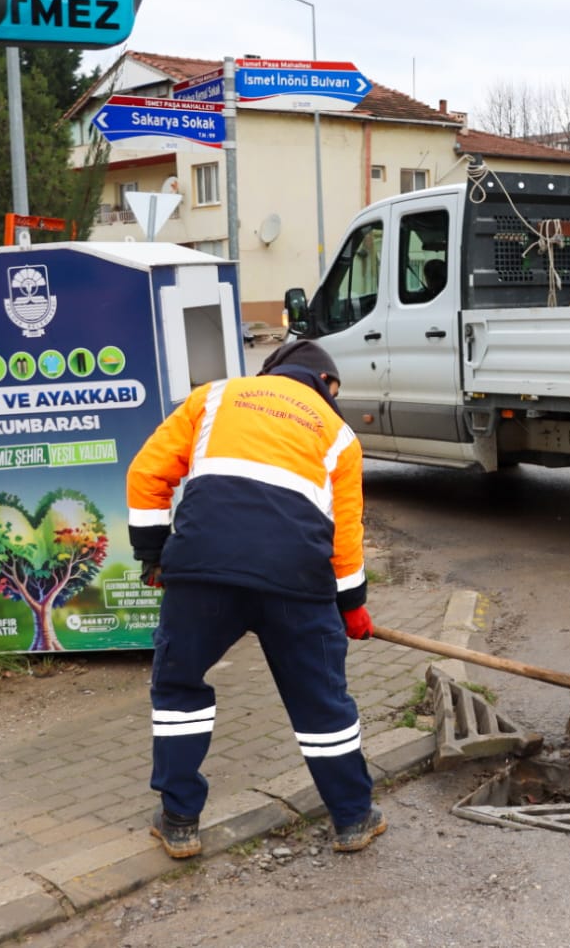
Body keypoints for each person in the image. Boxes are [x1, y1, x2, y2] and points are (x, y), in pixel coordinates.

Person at [126, 339, 385, 858]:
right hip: (296, 582)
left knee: (179, 689)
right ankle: (353, 818)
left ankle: (179, 822)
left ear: (273, 370)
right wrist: (351, 604)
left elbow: (146, 475)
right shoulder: (339, 434)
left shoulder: (215, 397)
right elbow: (344, 536)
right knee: (321, 702)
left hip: (202, 570)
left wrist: (153, 556)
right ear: (327, 386)